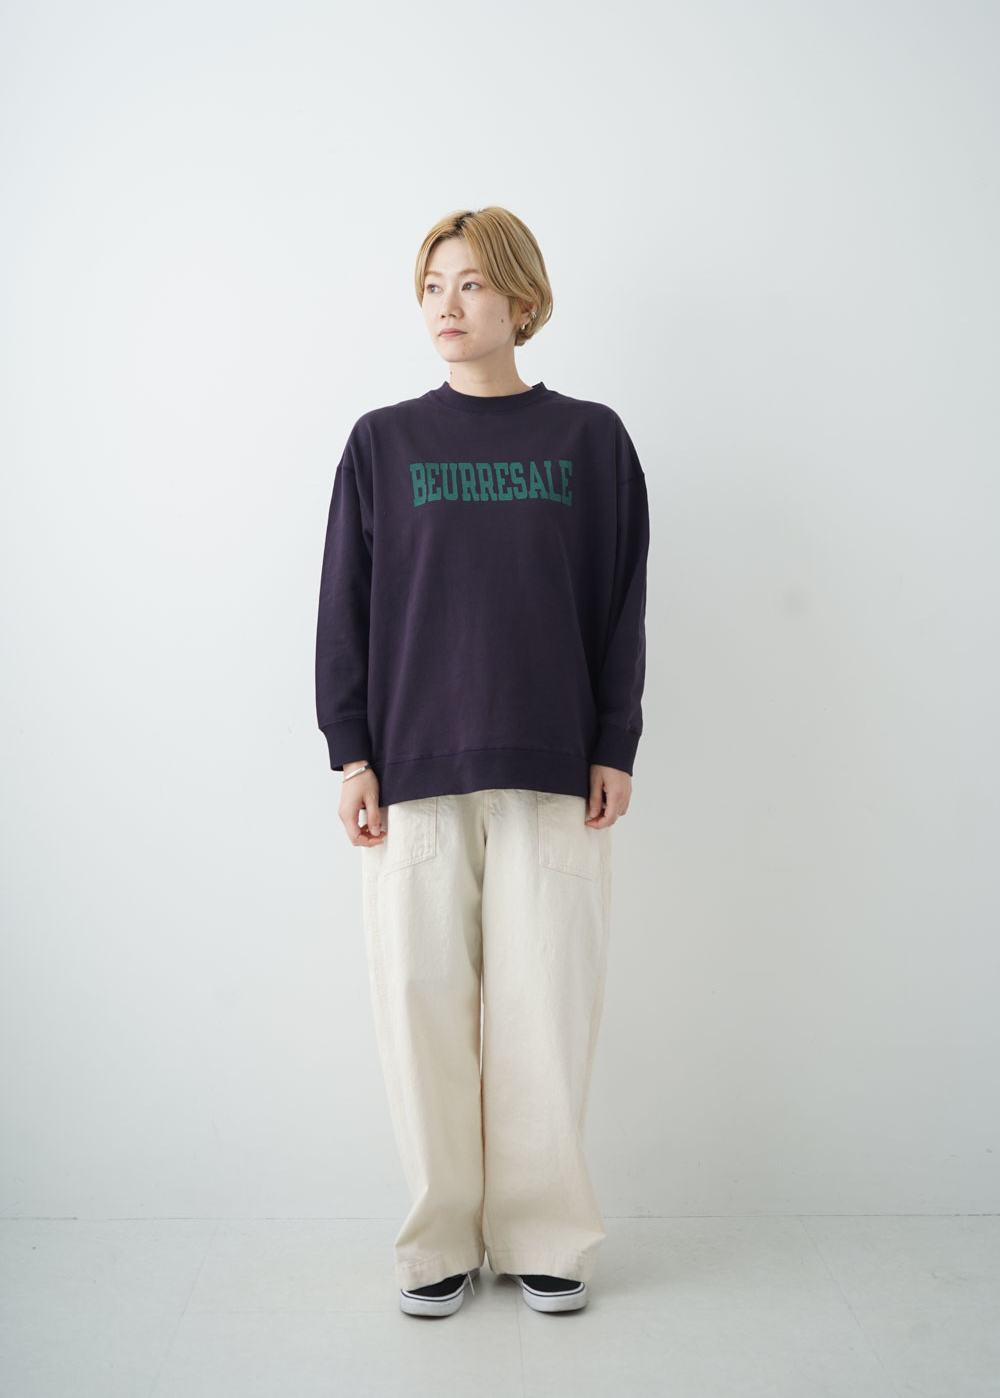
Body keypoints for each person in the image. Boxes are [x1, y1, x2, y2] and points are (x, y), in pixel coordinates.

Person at [315, 206, 650, 1318]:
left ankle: (544, 1235)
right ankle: (441, 1243)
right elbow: (344, 607)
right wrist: (351, 754)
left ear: (522, 299)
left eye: (468, 284)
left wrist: (614, 741)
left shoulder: (590, 441)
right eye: (431, 287)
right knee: (420, 1006)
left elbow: (620, 602)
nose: (446, 307)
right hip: (412, 769)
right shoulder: (382, 444)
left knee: (544, 1006)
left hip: (555, 767)